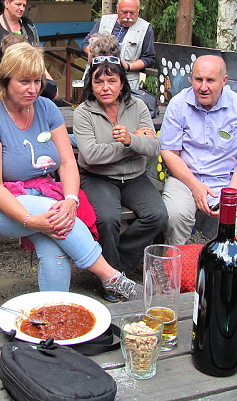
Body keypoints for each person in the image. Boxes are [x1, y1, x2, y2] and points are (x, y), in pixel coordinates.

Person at [0, 43, 143, 301]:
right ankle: (112, 277)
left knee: (54, 244)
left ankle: (53, 311)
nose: (33, 89)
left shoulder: (46, 108)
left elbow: (68, 163)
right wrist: (30, 221)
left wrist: (71, 200)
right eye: (24, 81)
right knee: (54, 216)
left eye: (37, 81)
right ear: (5, 80)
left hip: (41, 193)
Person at [73, 55, 167, 297]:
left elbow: (154, 148)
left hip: (135, 176)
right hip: (97, 177)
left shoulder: (138, 106)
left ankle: (115, 265)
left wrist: (130, 139)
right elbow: (91, 155)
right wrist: (131, 144)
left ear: (122, 83)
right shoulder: (84, 112)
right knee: (107, 218)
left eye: (112, 81)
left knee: (157, 215)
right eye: (98, 82)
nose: (105, 88)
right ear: (91, 84)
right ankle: (112, 280)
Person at [159, 54, 237, 243]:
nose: (203, 87)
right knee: (175, 214)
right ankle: (176, 258)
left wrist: (230, 197)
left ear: (224, 80)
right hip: (186, 178)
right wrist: (195, 186)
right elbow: (169, 152)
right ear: (191, 79)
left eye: (210, 80)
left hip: (228, 181)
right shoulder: (178, 105)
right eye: (198, 79)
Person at [81, 0, 156, 90]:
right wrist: (92, 53)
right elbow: (85, 44)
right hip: (95, 80)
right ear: (117, 9)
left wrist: (128, 66)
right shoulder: (104, 21)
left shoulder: (146, 29)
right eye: (124, 12)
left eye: (132, 13)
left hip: (126, 84)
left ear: (138, 11)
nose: (128, 16)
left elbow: (149, 58)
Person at [0, 33, 57, 100]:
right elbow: (55, 94)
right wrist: (40, 65)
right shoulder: (27, 74)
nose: (32, 90)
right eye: (24, 81)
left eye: (37, 81)